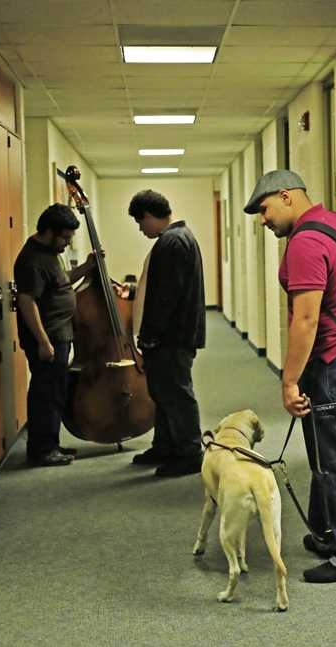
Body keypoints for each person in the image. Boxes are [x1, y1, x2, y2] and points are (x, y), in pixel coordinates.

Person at [244, 169, 336, 584]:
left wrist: (288, 381)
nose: (262, 220)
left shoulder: (303, 243)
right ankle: (327, 534)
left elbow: (306, 319)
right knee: (329, 450)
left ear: (286, 196)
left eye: (264, 210)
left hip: (334, 361)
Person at [127, 189, 206, 477]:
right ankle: (166, 445)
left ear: (149, 215)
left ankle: (188, 452)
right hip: (177, 333)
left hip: (171, 336)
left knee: (176, 394)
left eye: (140, 222)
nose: (140, 228)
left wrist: (150, 336)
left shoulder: (170, 242)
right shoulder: (180, 237)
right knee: (163, 393)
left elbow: (165, 297)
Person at [14, 204, 98, 466]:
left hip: (59, 334)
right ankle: (41, 450)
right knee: (45, 393)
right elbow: (27, 301)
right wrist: (43, 341)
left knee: (55, 391)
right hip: (48, 337)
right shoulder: (32, 259)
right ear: (49, 232)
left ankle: (51, 443)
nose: (66, 243)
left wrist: (86, 267)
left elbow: (61, 282)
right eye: (64, 237)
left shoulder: (50, 253)